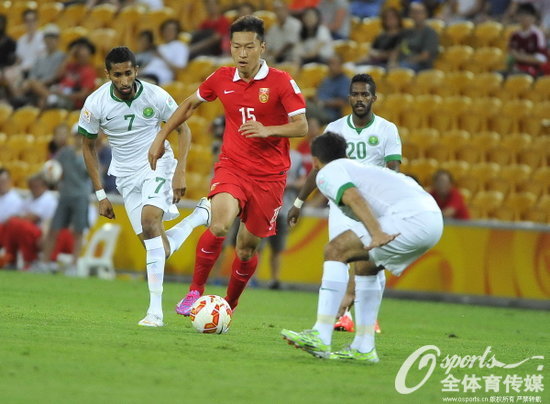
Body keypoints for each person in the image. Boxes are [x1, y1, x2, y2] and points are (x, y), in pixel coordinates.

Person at [148, 15, 308, 315]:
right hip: (232, 167)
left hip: (270, 177)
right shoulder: (221, 77)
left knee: (246, 248)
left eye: (249, 47)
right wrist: (161, 136)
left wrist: (268, 130)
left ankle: (229, 305)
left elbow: (302, 126)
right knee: (219, 224)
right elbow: (189, 104)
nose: (242, 54)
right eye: (236, 47)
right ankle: (195, 291)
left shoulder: (281, 81)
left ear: (262, 47)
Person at [281, 132, 443, 362]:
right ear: (345, 153)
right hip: (433, 219)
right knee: (365, 266)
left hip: (410, 218)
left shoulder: (329, 171)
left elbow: (353, 197)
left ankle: (321, 335)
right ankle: (364, 347)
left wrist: (376, 233)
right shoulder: (358, 169)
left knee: (335, 250)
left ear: (315, 161)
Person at [79, 46, 209, 327]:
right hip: (125, 177)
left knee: (150, 221)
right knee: (158, 248)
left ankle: (155, 313)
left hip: (156, 164)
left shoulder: (155, 95)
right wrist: (101, 194)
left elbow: (183, 129)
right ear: (108, 74)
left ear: (136, 70)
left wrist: (180, 171)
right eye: (117, 75)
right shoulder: (95, 103)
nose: (124, 80)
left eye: (128, 73)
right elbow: (87, 147)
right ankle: (198, 217)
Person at [288, 73, 402, 334]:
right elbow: (319, 168)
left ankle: (368, 316)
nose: (360, 99)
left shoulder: (387, 129)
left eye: (365, 94)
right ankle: (335, 318)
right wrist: (299, 202)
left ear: (373, 98)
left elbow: (394, 169)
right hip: (341, 206)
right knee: (336, 257)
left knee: (371, 261)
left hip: (372, 208)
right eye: (355, 94)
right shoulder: (335, 128)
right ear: (349, 97)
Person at [40, 125, 92, 273]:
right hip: (65, 195)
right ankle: (45, 263)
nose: (79, 138)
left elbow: (93, 173)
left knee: (78, 232)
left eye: (81, 135)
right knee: (54, 229)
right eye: (77, 135)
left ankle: (74, 265)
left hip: (81, 196)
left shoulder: (88, 153)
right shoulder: (65, 152)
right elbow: (53, 167)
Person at [1, 173, 57, 270]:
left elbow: (32, 218)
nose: (33, 189)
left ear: (44, 186)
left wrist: (15, 218)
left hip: (44, 233)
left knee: (20, 226)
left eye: (36, 186)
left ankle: (30, 261)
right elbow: (20, 215)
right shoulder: (30, 199)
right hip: (29, 231)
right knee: (12, 225)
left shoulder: (48, 199)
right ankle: (10, 259)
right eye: (32, 186)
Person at [389, 2, 439, 72]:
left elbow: (424, 56)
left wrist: (404, 62)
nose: (416, 15)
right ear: (410, 14)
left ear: (426, 14)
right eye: (413, 12)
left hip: (420, 66)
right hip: (401, 63)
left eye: (419, 12)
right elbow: (396, 50)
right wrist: (392, 62)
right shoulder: (406, 32)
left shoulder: (430, 33)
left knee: (400, 68)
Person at [141, 19, 189, 85]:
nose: (169, 32)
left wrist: (163, 57)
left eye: (172, 30)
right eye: (167, 30)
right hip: (145, 74)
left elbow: (180, 69)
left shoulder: (180, 46)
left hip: (158, 77)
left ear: (177, 32)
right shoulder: (160, 47)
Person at [507, 3, 547, 77]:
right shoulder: (514, 35)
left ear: (533, 18)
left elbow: (541, 59)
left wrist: (520, 57)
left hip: (533, 71)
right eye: (521, 15)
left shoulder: (537, 35)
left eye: (526, 15)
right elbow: (511, 55)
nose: (523, 18)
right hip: (516, 69)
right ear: (517, 17)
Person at [307, 55, 350, 124]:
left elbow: (342, 102)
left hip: (330, 113)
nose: (330, 66)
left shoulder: (344, 80)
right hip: (318, 109)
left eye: (333, 64)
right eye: (329, 63)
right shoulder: (326, 79)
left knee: (302, 105)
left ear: (340, 65)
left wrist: (324, 103)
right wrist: (315, 100)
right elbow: (318, 94)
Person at [265, 0, 302, 65]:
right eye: (277, 10)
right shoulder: (273, 28)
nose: (279, 13)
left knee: (294, 58)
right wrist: (269, 56)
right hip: (276, 57)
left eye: (281, 10)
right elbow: (269, 45)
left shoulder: (295, 23)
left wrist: (274, 55)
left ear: (287, 10)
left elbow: (290, 44)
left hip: (291, 55)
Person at [0, 168, 24, 266]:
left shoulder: (16, 200)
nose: (2, 184)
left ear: (10, 181)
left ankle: (10, 260)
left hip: (7, 233)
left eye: (4, 181)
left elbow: (13, 220)